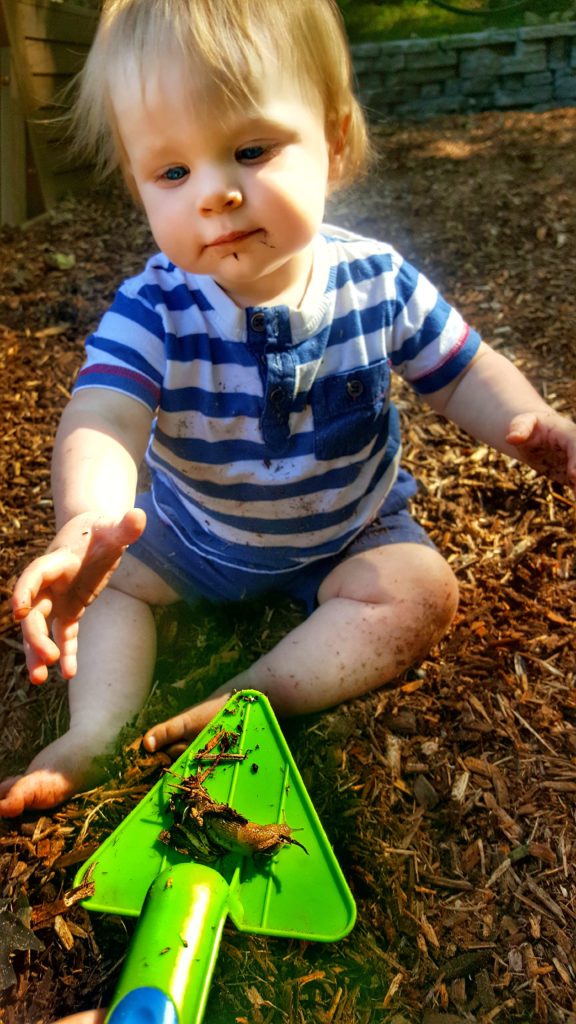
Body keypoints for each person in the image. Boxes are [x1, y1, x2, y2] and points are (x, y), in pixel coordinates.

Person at [1, 0, 575, 819]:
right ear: (136, 180)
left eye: (249, 150)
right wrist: (87, 523)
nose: (215, 196)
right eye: (172, 172)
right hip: (193, 536)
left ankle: (252, 695)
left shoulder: (377, 280)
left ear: (334, 140)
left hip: (347, 533)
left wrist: (526, 418)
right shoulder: (155, 307)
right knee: (110, 588)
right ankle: (95, 731)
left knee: (421, 592)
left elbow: (462, 371)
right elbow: (105, 412)